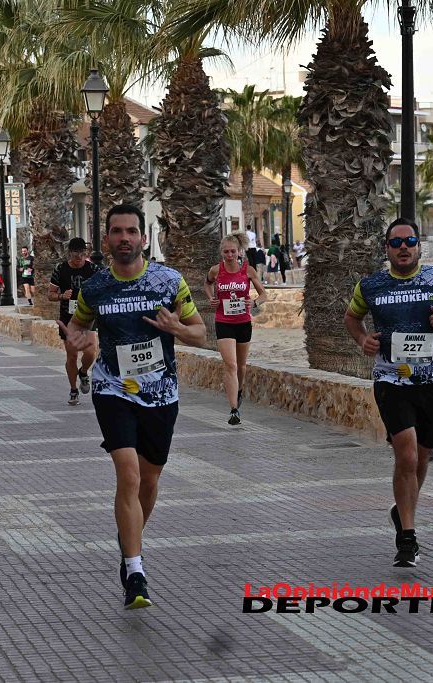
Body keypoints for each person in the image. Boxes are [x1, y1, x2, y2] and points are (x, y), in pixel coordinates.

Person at [59, 204, 206, 609]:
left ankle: (129, 541)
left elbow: (200, 333)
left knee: (149, 478)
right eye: (117, 231)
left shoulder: (168, 281)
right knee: (128, 474)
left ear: (143, 238)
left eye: (132, 231)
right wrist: (75, 338)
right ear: (106, 240)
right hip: (113, 389)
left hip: (160, 393)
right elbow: (79, 325)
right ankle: (135, 570)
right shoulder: (95, 288)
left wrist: (177, 328)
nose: (124, 238)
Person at [343, 218, 433, 567]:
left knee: (422, 456)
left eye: (410, 241)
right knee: (406, 453)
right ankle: (407, 540)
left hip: (431, 382)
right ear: (386, 248)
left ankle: (403, 512)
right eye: (396, 242)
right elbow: (351, 319)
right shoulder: (371, 286)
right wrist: (362, 340)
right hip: (391, 381)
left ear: (419, 247)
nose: (403, 247)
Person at [205, 235, 267, 425]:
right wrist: (210, 298)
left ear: (239, 251)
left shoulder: (248, 271)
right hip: (223, 321)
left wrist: (254, 301)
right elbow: (207, 284)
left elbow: (264, 294)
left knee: (241, 366)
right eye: (226, 252)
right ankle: (233, 410)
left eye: (233, 251)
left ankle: (239, 390)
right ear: (221, 252)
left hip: (243, 322)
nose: (230, 255)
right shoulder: (216, 270)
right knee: (230, 365)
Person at [49, 237, 100, 406]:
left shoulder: (93, 268)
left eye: (82, 253)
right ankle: (73, 389)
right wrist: (61, 296)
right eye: (76, 253)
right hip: (68, 318)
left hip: (88, 316)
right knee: (71, 356)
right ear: (69, 253)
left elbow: (103, 288)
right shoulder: (60, 269)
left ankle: (84, 372)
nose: (79, 256)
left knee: (91, 351)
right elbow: (50, 294)